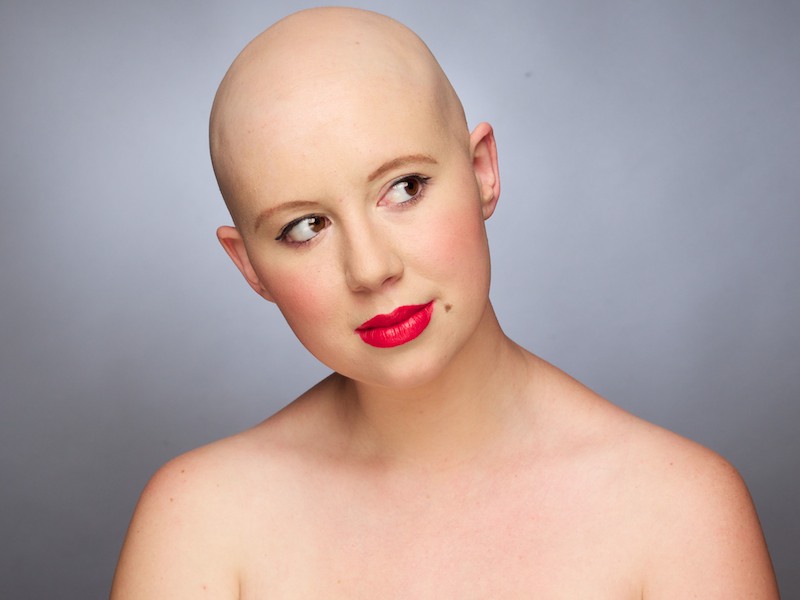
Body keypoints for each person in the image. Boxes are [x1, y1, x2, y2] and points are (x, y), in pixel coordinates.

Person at [111, 7, 778, 598]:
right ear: (250, 265)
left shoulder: (679, 512)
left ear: (482, 170)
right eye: (306, 227)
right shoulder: (198, 522)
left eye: (404, 187)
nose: (371, 269)